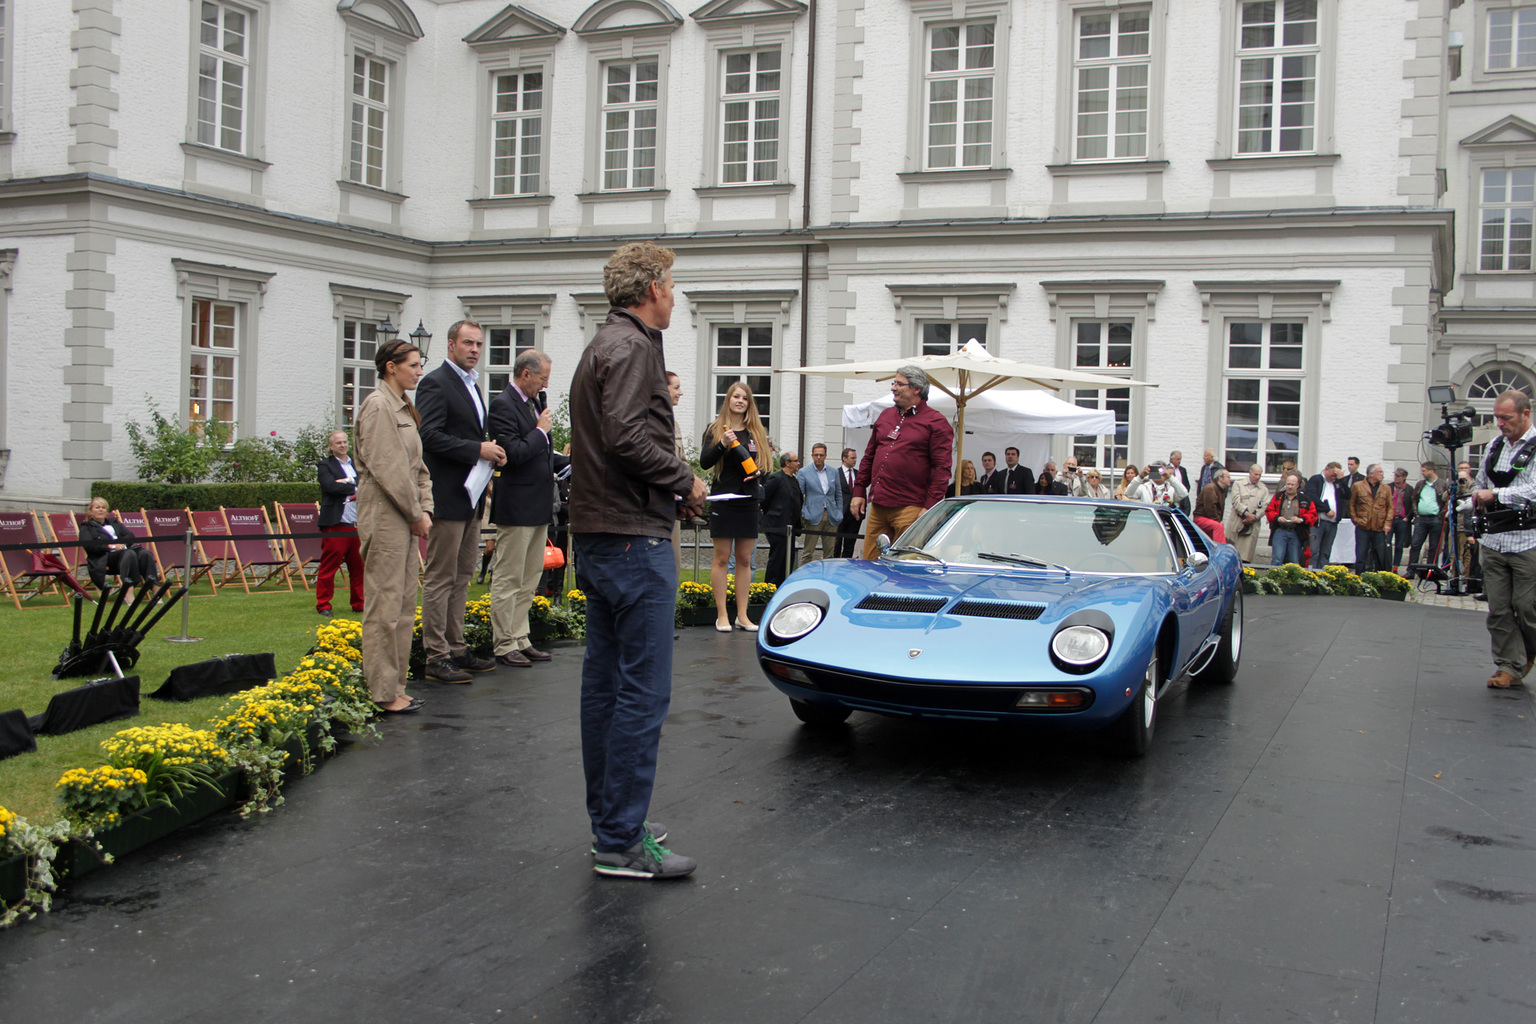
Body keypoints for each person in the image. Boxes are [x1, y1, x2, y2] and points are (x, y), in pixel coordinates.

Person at [569, 240, 708, 879]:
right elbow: (627, 437)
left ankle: (614, 823)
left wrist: (664, 492)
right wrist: (683, 480)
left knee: (606, 687)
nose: (675, 295)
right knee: (640, 693)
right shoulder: (629, 347)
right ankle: (620, 840)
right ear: (651, 287)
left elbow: (614, 443)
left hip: (606, 534)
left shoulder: (608, 343)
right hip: (631, 543)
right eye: (672, 284)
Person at [415, 319, 506, 683]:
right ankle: (435, 655)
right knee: (440, 576)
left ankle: (455, 646)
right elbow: (429, 436)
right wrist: (476, 449)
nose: (475, 350)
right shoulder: (436, 382)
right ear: (450, 345)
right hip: (446, 495)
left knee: (463, 574)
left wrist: (487, 454)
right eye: (468, 343)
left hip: (469, 494)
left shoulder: (472, 385)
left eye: (479, 344)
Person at [354, 339, 432, 716]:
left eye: (420, 365)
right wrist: (417, 512)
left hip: (405, 513)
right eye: (413, 365)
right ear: (390, 366)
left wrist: (425, 508)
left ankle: (395, 686)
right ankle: (381, 690)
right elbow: (390, 470)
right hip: (386, 513)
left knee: (403, 605)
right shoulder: (378, 406)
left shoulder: (403, 407)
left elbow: (418, 467)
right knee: (385, 604)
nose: (419, 371)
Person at [486, 349, 557, 669]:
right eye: (542, 378)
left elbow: (543, 453)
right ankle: (503, 642)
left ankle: (520, 636)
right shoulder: (503, 405)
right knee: (509, 576)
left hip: (539, 503)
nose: (545, 385)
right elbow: (513, 453)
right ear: (525, 374)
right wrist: (541, 430)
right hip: (516, 505)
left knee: (530, 577)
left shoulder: (534, 403)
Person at [850, 365, 955, 558]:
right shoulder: (885, 416)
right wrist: (859, 491)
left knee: (905, 566)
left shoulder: (936, 423)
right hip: (879, 505)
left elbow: (942, 469)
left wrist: (930, 507)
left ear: (916, 389)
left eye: (899, 384)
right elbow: (869, 456)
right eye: (893, 383)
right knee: (870, 564)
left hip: (911, 508)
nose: (893, 388)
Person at [1471, 390, 1536, 689]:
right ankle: (1508, 666)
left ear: (1526, 414)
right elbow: (1482, 482)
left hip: (1528, 541)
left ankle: (1527, 651)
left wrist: (1496, 495)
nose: (1500, 423)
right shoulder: (1495, 446)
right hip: (1494, 541)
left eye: (1506, 418)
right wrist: (1475, 495)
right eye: (1497, 417)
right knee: (1498, 609)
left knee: (1525, 607)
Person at [700, 381, 769, 631]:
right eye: (736, 396)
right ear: (728, 400)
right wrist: (722, 444)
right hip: (724, 499)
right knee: (721, 558)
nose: (740, 401)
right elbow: (705, 462)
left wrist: (758, 473)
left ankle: (743, 615)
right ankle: (722, 615)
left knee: (744, 559)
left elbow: (764, 466)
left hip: (748, 500)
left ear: (749, 404)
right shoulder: (716, 429)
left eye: (745, 398)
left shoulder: (755, 432)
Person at [315, 429, 364, 617]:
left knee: (358, 568)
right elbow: (330, 486)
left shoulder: (356, 464)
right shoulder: (325, 465)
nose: (343, 445)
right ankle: (323, 604)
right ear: (331, 446)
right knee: (329, 567)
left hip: (357, 525)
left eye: (344, 442)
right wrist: (354, 485)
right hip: (336, 524)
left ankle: (359, 603)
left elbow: (367, 482)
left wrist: (347, 480)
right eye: (338, 443)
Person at [79, 497, 158, 590]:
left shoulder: (114, 523)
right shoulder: (86, 527)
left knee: (145, 553)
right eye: (97, 507)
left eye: (103, 508)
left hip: (123, 554)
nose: (101, 510)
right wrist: (111, 546)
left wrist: (122, 545)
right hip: (104, 557)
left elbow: (130, 536)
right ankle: (128, 590)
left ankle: (155, 589)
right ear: (91, 511)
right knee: (129, 553)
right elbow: (90, 546)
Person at [797, 443, 843, 564]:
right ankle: (803, 579)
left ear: (825, 456)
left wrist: (839, 513)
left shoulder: (833, 472)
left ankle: (826, 579)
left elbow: (838, 494)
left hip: (831, 515)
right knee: (808, 552)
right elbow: (798, 495)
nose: (818, 457)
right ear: (812, 456)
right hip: (813, 515)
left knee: (829, 554)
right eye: (816, 455)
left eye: (821, 455)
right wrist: (804, 512)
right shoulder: (804, 472)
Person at [761, 453, 803, 585]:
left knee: (788, 558)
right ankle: (771, 585)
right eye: (795, 461)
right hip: (777, 525)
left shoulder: (794, 480)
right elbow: (765, 498)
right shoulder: (776, 478)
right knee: (777, 557)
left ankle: (783, 584)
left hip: (790, 526)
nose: (798, 463)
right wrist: (774, 514)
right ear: (787, 463)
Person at [1265, 471, 1317, 566]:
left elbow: (1313, 514)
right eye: (1288, 484)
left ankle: (1292, 580)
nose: (1290, 486)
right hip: (1280, 530)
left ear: (1297, 485)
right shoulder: (1278, 496)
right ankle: (1275, 579)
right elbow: (1269, 511)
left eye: (1292, 484)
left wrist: (1301, 520)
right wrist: (1277, 518)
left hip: (1296, 532)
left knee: (1294, 561)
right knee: (1277, 559)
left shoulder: (1305, 499)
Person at [1350, 463, 1394, 573]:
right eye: (1379, 472)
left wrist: (1387, 523)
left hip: (1379, 526)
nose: (1382, 474)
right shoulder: (1358, 486)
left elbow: (1390, 507)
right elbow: (1351, 504)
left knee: (1380, 555)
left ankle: (1380, 579)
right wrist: (1355, 519)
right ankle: (1359, 578)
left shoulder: (1386, 488)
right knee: (1361, 555)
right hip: (1363, 525)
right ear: (1371, 474)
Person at [1407, 461, 1449, 576]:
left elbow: (1446, 501)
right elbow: (1414, 499)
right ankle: (1411, 571)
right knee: (1415, 544)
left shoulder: (1443, 484)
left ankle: (1430, 571)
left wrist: (1441, 515)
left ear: (1431, 470)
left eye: (1424, 471)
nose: (1422, 473)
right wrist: (1416, 513)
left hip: (1436, 518)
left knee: (1433, 546)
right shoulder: (1421, 484)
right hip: (1421, 519)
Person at [1305, 462, 1347, 568]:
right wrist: (1326, 509)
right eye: (1333, 474)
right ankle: (1311, 572)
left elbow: (1347, 495)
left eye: (1336, 475)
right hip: (1318, 521)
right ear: (1327, 470)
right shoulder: (1316, 480)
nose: (1334, 477)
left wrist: (1341, 480)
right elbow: (1311, 497)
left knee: (1326, 551)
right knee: (1314, 550)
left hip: (1332, 523)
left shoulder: (1337, 483)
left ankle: (1322, 573)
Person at [1225, 463, 1270, 563]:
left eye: (1260, 475)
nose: (1257, 477)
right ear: (1250, 473)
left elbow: (1265, 506)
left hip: (1252, 526)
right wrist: (1246, 513)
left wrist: (1253, 517)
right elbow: (1236, 501)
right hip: (1237, 522)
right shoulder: (1238, 484)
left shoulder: (1264, 489)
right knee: (1231, 555)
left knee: (1245, 557)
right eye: (1256, 474)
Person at [666, 371, 686, 575]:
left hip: (675, 505)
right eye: (676, 387)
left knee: (674, 565)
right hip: (657, 506)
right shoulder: (651, 422)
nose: (681, 392)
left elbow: (683, 462)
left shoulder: (675, 425)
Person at [834, 447, 860, 558]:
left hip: (855, 515)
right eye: (852, 458)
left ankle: (847, 565)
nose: (855, 460)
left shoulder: (858, 474)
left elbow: (861, 493)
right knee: (836, 543)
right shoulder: (836, 473)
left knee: (850, 544)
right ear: (844, 458)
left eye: (855, 458)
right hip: (839, 514)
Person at [1194, 469, 1230, 543]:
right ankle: (1221, 548)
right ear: (1220, 478)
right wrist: (1218, 520)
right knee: (1218, 527)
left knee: (1217, 527)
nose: (1230, 479)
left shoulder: (1221, 490)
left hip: (1210, 519)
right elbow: (1210, 508)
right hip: (1201, 518)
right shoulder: (1211, 488)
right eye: (1228, 477)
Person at [1388, 467, 1413, 571]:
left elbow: (1412, 504)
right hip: (1390, 518)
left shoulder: (1409, 489)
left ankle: (1395, 566)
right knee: (1387, 543)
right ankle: (1387, 565)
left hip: (1402, 519)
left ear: (1404, 477)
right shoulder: (1389, 487)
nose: (1396, 478)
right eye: (1395, 475)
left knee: (1399, 545)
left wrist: (1407, 517)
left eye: (1398, 476)